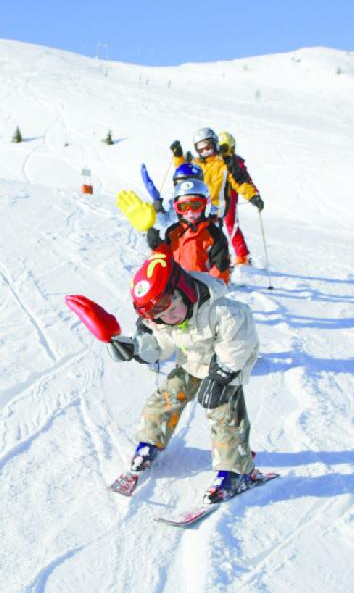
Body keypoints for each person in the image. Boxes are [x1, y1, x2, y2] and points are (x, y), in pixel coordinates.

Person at [107, 251, 261, 503]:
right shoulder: (165, 321)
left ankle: (236, 471)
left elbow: (239, 342)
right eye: (159, 316)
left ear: (184, 289)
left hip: (224, 366)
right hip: (191, 364)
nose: (169, 318)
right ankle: (150, 443)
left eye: (171, 308)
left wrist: (223, 375)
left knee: (224, 416)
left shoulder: (223, 310)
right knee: (164, 398)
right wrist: (137, 348)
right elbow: (161, 348)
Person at [171, 128, 264, 266]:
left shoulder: (225, 164)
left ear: (215, 144)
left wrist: (253, 196)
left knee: (219, 235)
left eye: (208, 147)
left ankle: (232, 262)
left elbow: (240, 181)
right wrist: (178, 155)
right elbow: (184, 172)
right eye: (201, 150)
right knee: (197, 236)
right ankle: (194, 263)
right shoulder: (197, 163)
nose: (205, 152)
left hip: (218, 208)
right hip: (200, 207)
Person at [148, 176, 231, 283]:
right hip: (176, 291)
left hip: (204, 294)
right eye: (183, 207)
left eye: (195, 205)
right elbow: (163, 262)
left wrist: (200, 291)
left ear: (206, 205)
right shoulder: (173, 232)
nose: (190, 212)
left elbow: (220, 275)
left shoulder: (214, 237)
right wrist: (157, 248)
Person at [217, 130, 260, 266]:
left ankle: (242, 255)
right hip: (214, 197)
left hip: (230, 197)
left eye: (227, 149)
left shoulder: (236, 164)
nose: (224, 153)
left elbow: (245, 180)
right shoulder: (215, 162)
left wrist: (254, 195)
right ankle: (215, 256)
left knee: (231, 224)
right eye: (221, 149)